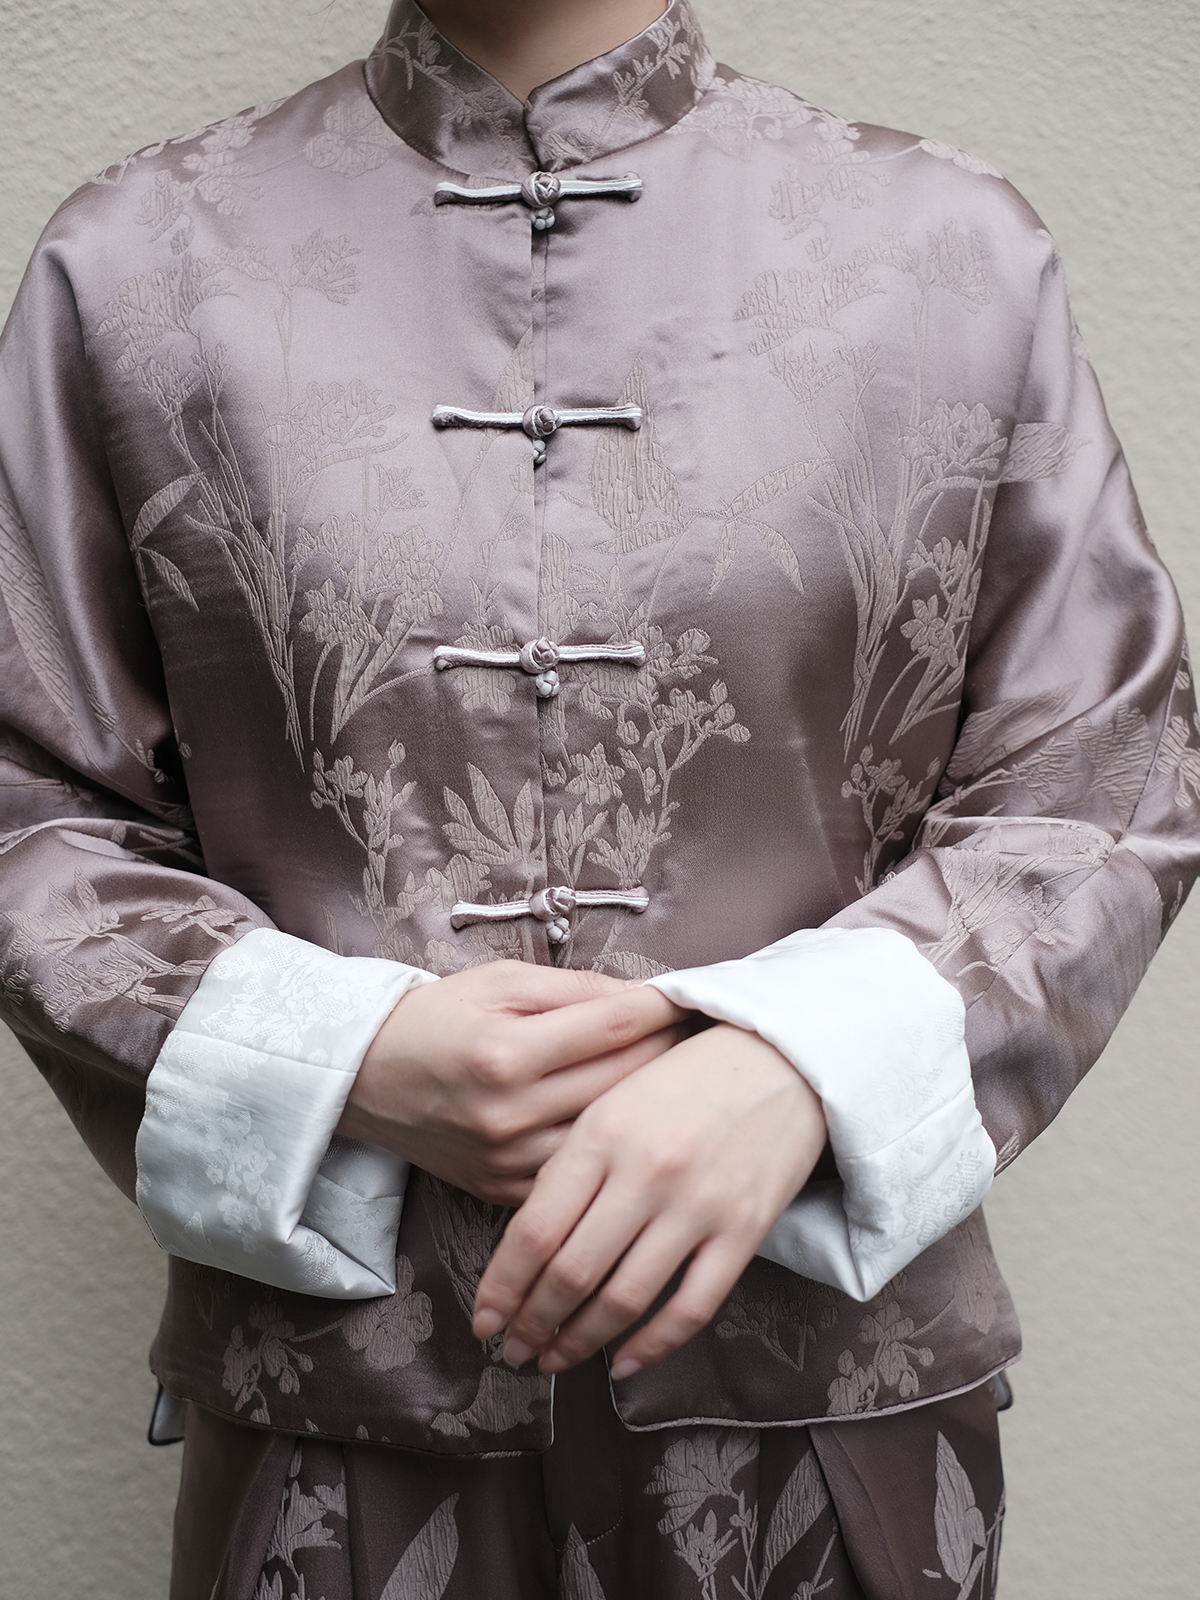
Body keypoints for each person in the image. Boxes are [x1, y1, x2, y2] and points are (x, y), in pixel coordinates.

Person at [1, 0, 1197, 1594]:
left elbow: (1103, 775)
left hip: (830, 1420)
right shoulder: (134, 266)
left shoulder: (951, 252)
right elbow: (29, 801)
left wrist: (800, 1067)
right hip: (339, 1425)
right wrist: (333, 1054)